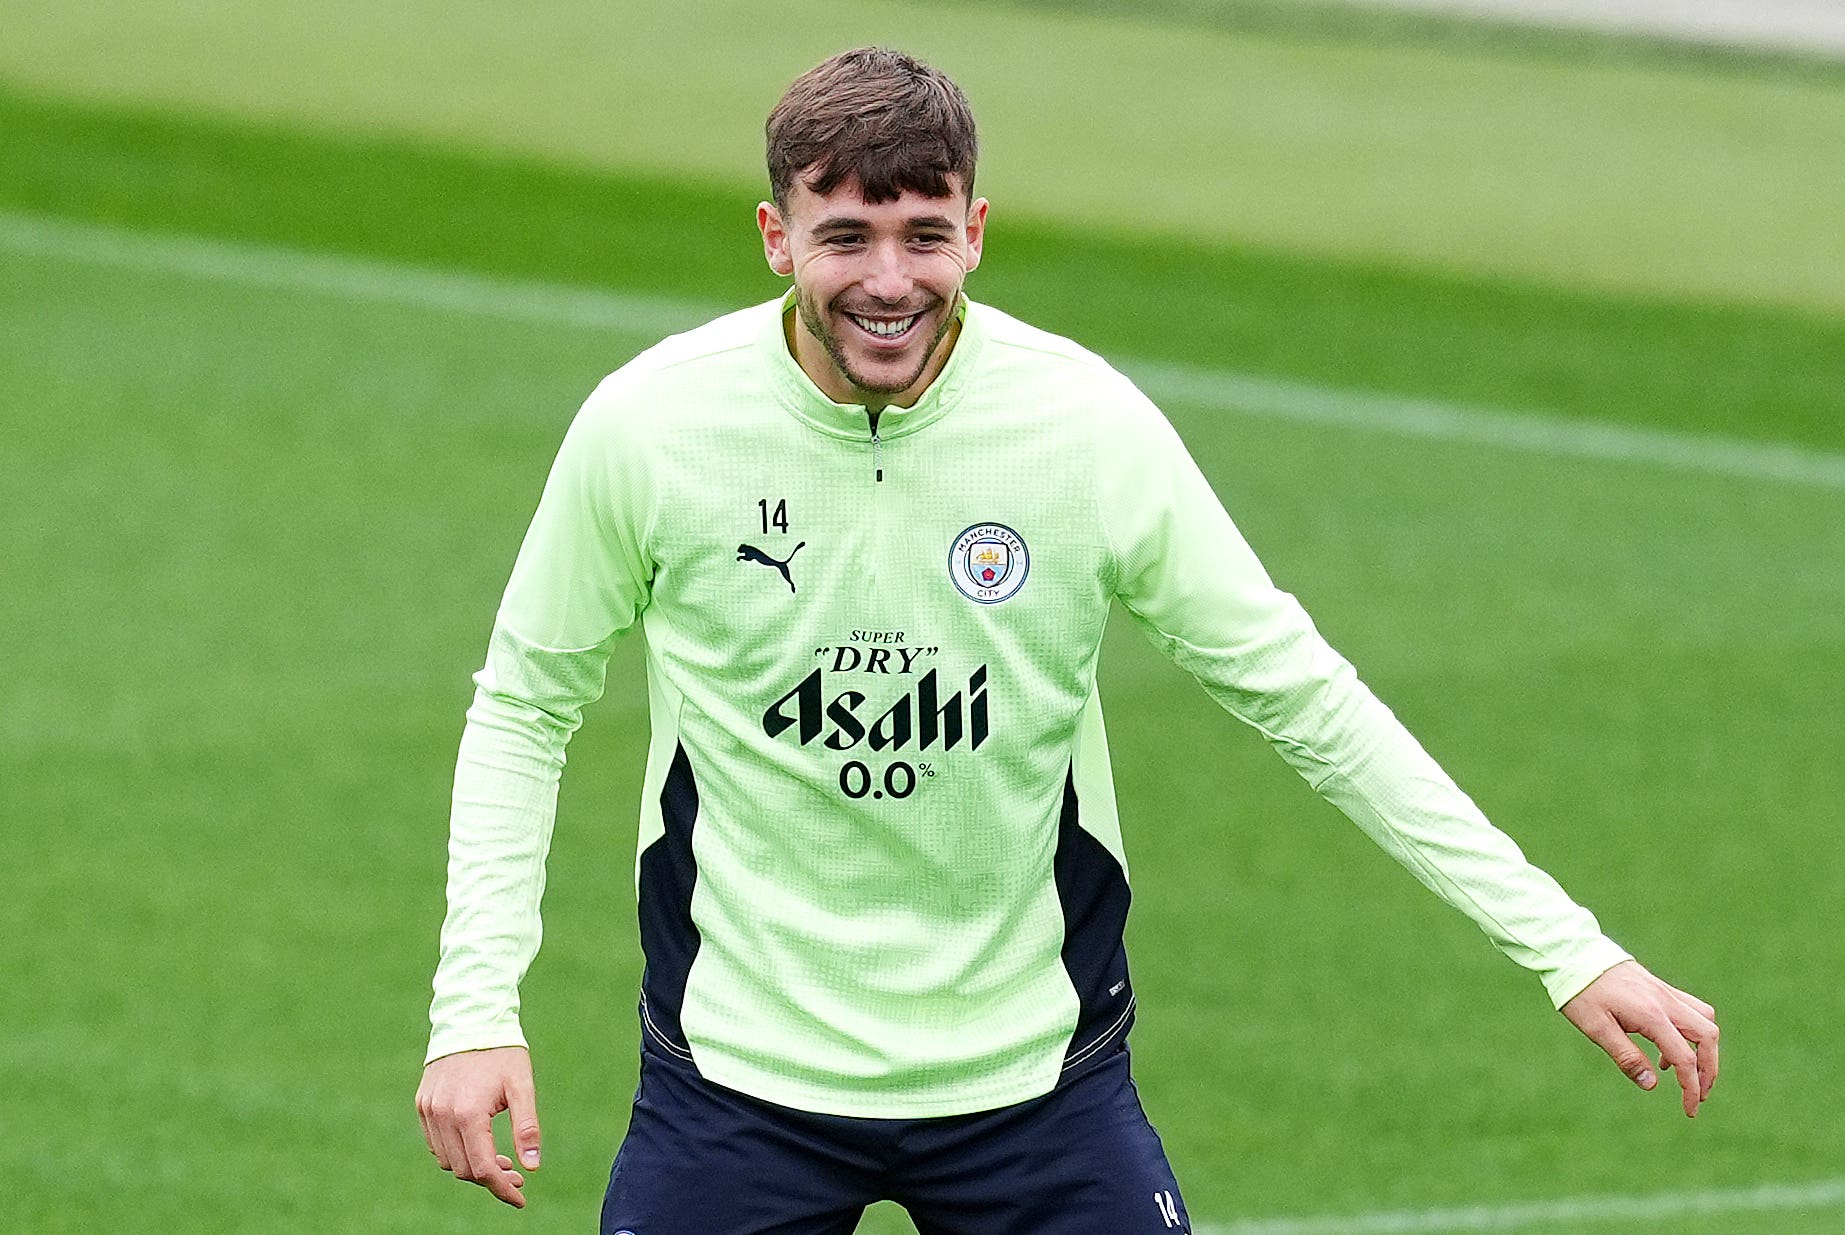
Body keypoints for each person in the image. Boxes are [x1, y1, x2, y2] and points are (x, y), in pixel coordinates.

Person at [415, 46, 1719, 1233]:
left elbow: (1302, 697)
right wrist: (473, 1012)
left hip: (1037, 1085)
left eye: (925, 235)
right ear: (775, 236)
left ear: (976, 232)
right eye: (845, 236)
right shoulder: (651, 427)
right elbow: (527, 704)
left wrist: (1567, 946)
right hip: (736, 1083)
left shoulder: (1083, 428)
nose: (888, 279)